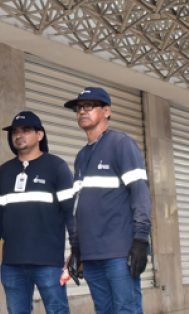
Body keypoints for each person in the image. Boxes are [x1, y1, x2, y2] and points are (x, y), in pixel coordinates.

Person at [0, 111, 76, 314]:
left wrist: (77, 250)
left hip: (49, 263)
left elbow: (71, 214)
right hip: (12, 264)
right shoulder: (4, 171)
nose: (18, 135)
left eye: (26, 130)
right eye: (15, 132)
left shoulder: (57, 167)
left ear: (40, 135)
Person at [64, 87, 152, 314]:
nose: (82, 111)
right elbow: (78, 207)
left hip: (119, 253)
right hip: (91, 255)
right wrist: (76, 248)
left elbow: (140, 193)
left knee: (126, 310)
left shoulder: (121, 143)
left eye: (89, 106)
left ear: (107, 111)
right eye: (79, 108)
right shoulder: (81, 156)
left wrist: (141, 240)